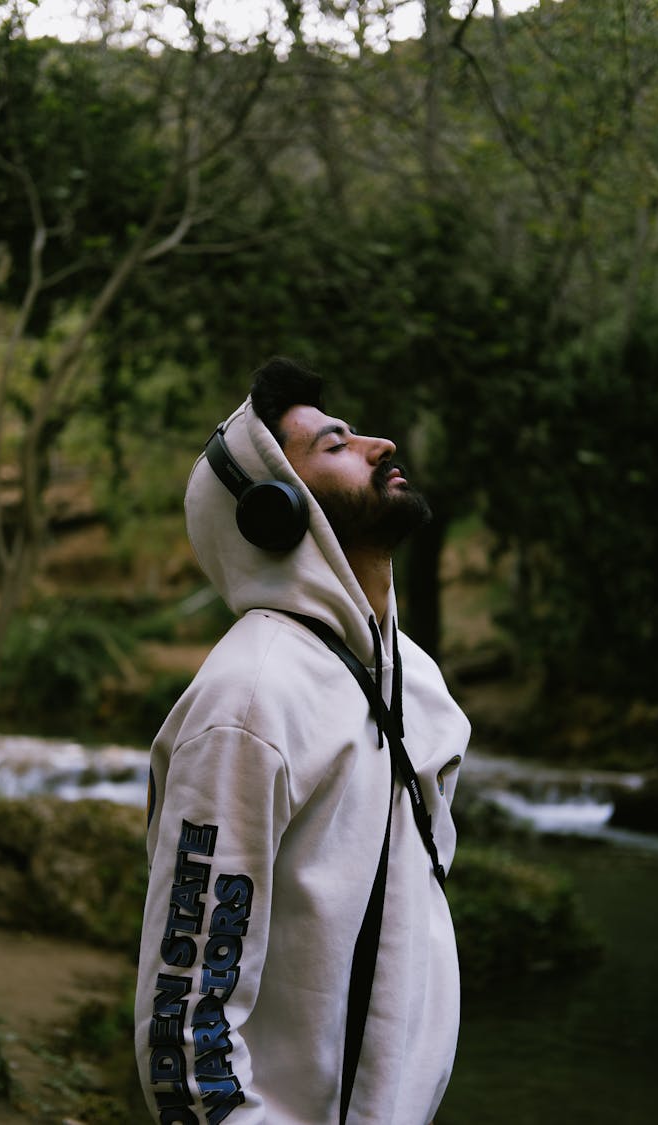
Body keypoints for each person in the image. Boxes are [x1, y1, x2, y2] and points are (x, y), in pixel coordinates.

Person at [134, 357, 471, 1125]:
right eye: (336, 444)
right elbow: (186, 1018)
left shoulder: (411, 676)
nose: (381, 443)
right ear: (276, 510)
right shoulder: (251, 697)